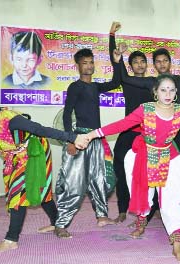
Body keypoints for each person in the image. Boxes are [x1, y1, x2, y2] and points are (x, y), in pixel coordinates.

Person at [79, 74, 180, 262]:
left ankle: (176, 244)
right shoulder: (145, 109)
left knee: (170, 200)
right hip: (142, 156)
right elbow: (121, 125)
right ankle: (141, 223)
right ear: (155, 92)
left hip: (169, 157)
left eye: (172, 90)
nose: (167, 93)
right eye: (163, 89)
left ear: (176, 93)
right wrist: (92, 134)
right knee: (143, 193)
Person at [0, 85, 85, 254]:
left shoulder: (12, 120)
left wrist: (72, 138)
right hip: (13, 156)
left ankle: (11, 240)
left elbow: (41, 130)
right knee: (29, 192)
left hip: (35, 151)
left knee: (24, 191)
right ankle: (56, 222)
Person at [121, 48, 180, 225]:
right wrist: (117, 58)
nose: (162, 64)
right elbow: (125, 79)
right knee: (152, 175)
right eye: (158, 61)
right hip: (159, 136)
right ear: (154, 64)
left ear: (170, 62)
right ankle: (148, 212)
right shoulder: (152, 82)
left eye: (165, 60)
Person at [54, 47, 121, 238]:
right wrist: (70, 139)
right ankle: (61, 224)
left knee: (99, 179)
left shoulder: (95, 86)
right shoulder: (75, 87)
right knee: (74, 183)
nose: (89, 66)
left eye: (91, 62)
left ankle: (102, 216)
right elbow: (67, 114)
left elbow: (116, 82)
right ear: (78, 66)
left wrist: (116, 61)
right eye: (85, 63)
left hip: (96, 139)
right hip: (80, 139)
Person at [109, 22, 154, 224]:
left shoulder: (154, 84)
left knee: (150, 172)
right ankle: (122, 208)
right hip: (128, 131)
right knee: (119, 166)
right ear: (131, 66)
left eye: (142, 61)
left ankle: (150, 208)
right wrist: (112, 36)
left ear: (146, 64)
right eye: (135, 62)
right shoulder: (126, 81)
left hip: (148, 133)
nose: (139, 64)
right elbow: (116, 65)